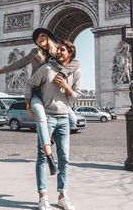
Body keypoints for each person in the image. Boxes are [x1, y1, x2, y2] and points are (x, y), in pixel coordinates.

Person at [0, 28, 79, 176]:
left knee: (73, 120)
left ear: (49, 37)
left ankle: (51, 137)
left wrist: (63, 75)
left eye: (43, 35)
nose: (40, 38)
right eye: (37, 37)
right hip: (37, 92)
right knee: (42, 118)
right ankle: (49, 153)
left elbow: (75, 63)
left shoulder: (58, 52)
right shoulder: (33, 53)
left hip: (54, 95)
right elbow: (18, 64)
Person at [25, 40, 81, 210]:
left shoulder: (76, 72)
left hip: (64, 118)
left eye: (62, 50)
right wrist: (28, 104)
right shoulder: (47, 69)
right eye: (58, 49)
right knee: (42, 157)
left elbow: (76, 96)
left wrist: (66, 87)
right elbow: (30, 83)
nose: (58, 52)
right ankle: (43, 196)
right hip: (47, 117)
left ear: (70, 54)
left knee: (64, 159)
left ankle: (63, 195)